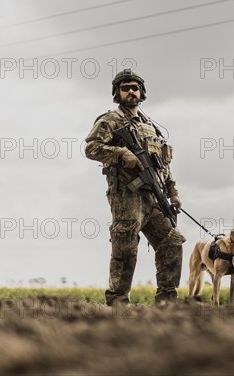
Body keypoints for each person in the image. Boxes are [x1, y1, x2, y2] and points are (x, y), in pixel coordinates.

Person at [85, 69, 185, 305]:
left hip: (155, 196)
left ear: (142, 92)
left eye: (135, 88)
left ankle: (167, 301)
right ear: (117, 93)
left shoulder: (151, 126)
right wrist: (120, 153)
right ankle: (118, 301)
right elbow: (91, 148)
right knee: (125, 248)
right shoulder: (110, 120)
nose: (131, 91)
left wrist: (173, 193)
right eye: (125, 88)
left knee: (172, 241)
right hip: (127, 195)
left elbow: (162, 165)